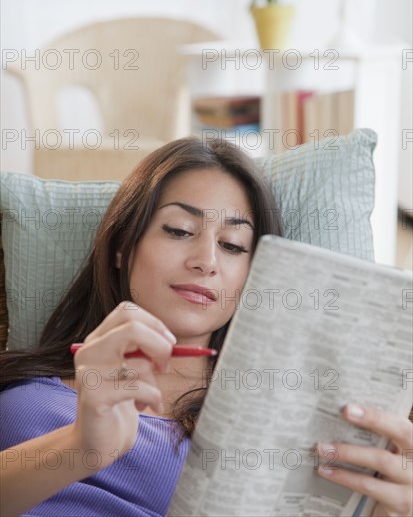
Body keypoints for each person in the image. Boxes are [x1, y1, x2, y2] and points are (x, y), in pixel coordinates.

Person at [0, 137, 411, 517]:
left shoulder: (268, 426)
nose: (206, 261)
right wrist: (81, 447)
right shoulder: (22, 377)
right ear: (123, 246)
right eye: (179, 230)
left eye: (232, 245)